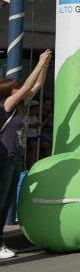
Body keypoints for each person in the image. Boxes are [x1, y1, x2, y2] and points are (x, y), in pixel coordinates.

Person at [0, 50, 51, 259]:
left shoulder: (19, 106)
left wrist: (45, 66)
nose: (21, 90)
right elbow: (29, 85)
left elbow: (36, 86)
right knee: (1, 202)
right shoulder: (6, 105)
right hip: (4, 160)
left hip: (15, 159)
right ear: (10, 92)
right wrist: (39, 62)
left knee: (6, 202)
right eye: (17, 89)